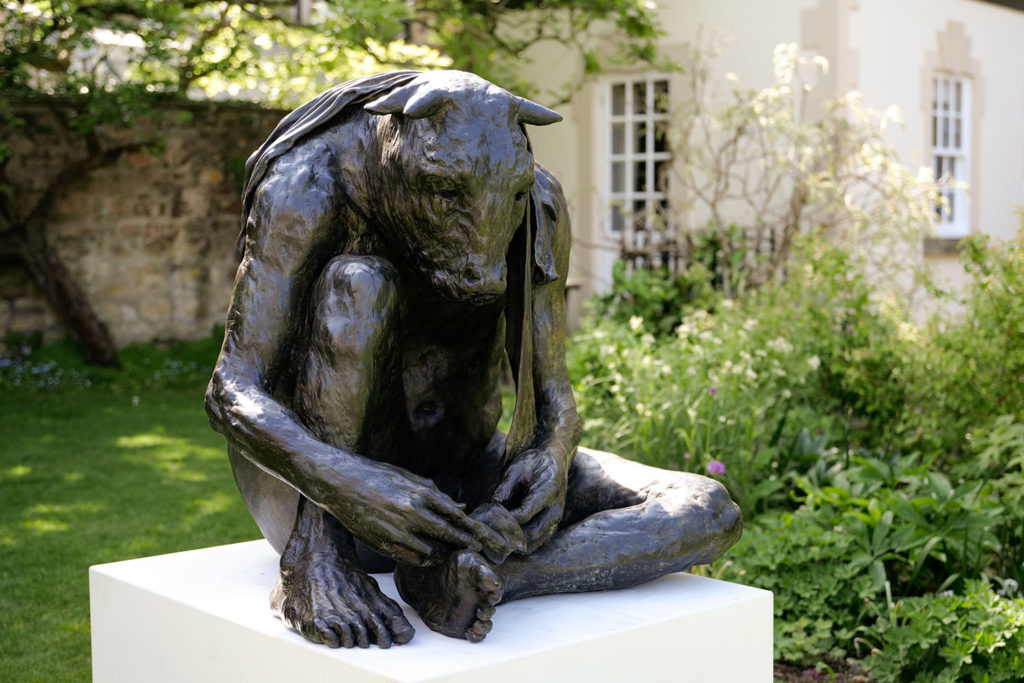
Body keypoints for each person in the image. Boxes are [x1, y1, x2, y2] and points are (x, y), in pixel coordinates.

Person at [206, 70, 741, 649]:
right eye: (445, 196)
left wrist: (553, 455)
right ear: (398, 147)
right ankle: (318, 560)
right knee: (359, 284)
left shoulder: (530, 197)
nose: (479, 258)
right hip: (326, 501)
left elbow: (554, 395)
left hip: (461, 488)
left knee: (706, 507)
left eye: (505, 197)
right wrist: (351, 486)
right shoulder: (308, 184)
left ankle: (476, 578)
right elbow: (231, 390)